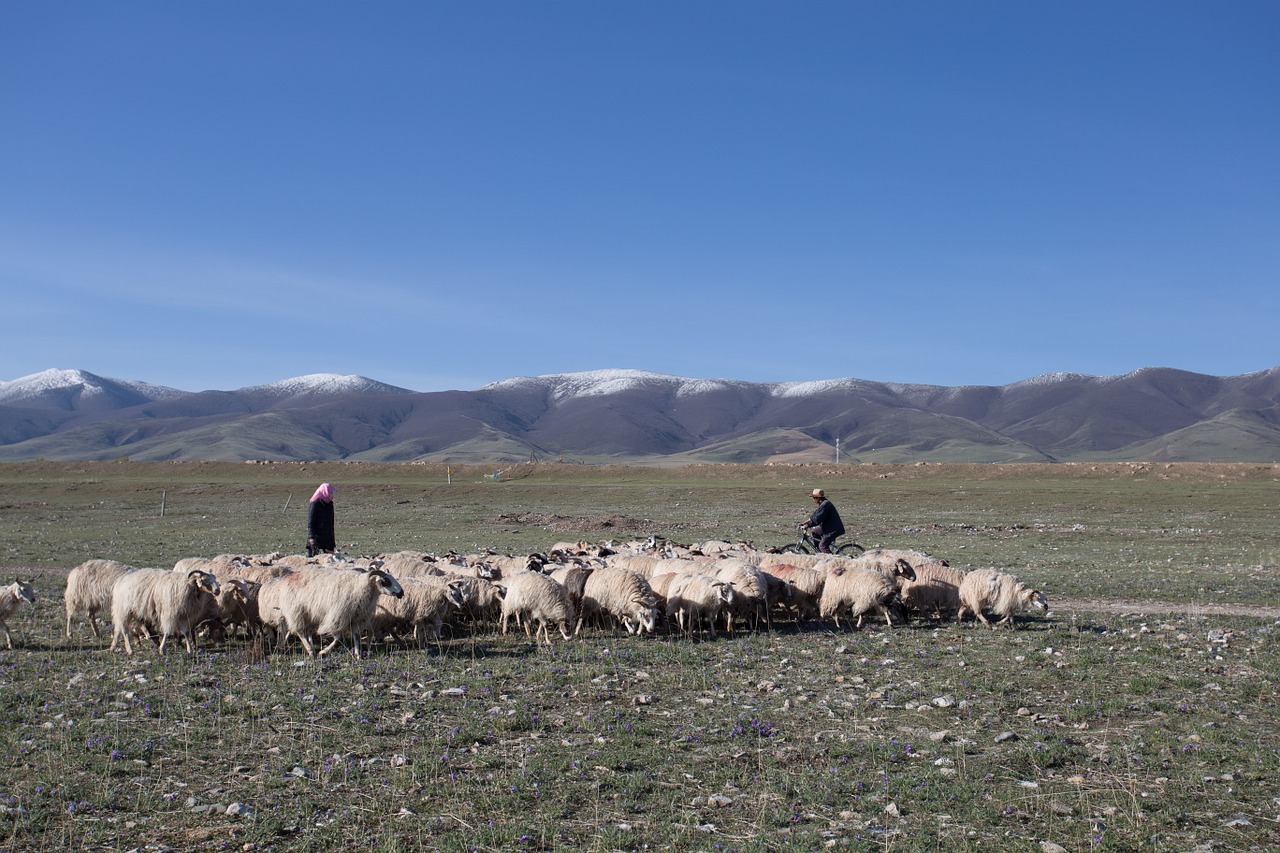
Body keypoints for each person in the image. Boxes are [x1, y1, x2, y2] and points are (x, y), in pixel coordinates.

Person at [800, 488, 845, 553]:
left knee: (823, 546)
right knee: (815, 531)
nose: (813, 500)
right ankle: (820, 552)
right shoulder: (823, 504)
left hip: (833, 530)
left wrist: (808, 525)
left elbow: (817, 519)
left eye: (814, 498)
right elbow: (814, 516)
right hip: (829, 527)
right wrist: (804, 523)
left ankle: (831, 560)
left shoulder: (825, 505)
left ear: (818, 498)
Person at [307, 482, 336, 556]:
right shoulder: (315, 504)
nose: (332, 495)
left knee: (330, 561)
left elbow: (331, 522)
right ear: (325, 492)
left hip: (327, 537)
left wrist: (332, 540)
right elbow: (311, 522)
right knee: (313, 561)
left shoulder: (329, 504)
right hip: (316, 537)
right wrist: (311, 537)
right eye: (331, 493)